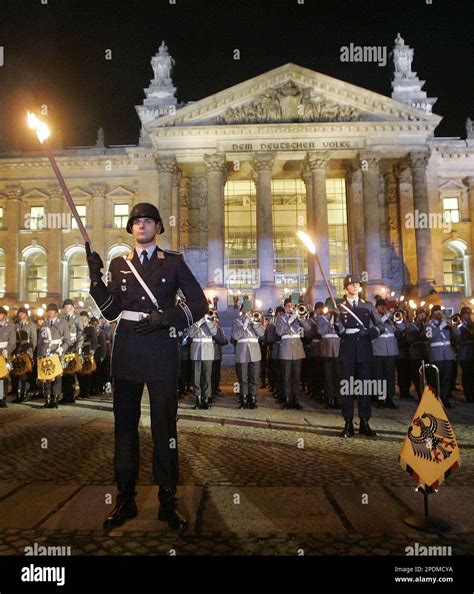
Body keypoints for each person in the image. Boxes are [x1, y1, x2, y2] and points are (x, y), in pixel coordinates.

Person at [86, 202, 207, 531]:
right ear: (131, 228)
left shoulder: (174, 263)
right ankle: (125, 498)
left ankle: (168, 501)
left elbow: (199, 304)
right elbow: (111, 312)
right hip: (127, 349)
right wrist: (96, 279)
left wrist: (163, 318)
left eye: (147, 221)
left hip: (160, 349)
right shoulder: (118, 264)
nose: (140, 226)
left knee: (164, 429)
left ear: (157, 227)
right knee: (124, 428)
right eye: (136, 222)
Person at [334, 275, 385, 438]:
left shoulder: (368, 306)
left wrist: (369, 333)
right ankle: (348, 422)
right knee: (347, 389)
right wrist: (336, 320)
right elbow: (340, 332)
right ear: (345, 287)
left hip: (364, 349)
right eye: (351, 284)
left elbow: (380, 326)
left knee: (365, 388)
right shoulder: (340, 307)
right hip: (348, 349)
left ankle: (364, 422)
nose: (355, 287)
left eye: (357, 284)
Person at [275, 298, 307, 410]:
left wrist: (300, 318)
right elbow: (279, 332)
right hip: (286, 349)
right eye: (288, 305)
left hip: (297, 349)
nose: (291, 307)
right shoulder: (280, 318)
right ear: (284, 307)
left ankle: (296, 400)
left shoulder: (299, 317)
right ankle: (287, 400)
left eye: (293, 305)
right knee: (286, 376)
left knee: (296, 377)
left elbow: (308, 328)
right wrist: (290, 320)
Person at [37, 304, 71, 409]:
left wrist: (61, 349)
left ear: (56, 312)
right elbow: (40, 342)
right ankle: (47, 400)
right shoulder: (44, 324)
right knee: (47, 377)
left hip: (57, 353)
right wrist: (39, 355)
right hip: (45, 354)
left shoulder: (62, 323)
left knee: (56, 378)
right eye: (48, 311)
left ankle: (55, 400)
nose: (50, 312)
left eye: (52, 311)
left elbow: (67, 340)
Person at [425, 305, 459, 408]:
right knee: (435, 379)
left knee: (447, 377)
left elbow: (458, 335)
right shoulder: (429, 325)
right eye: (437, 312)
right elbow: (429, 336)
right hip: (436, 355)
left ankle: (445, 398)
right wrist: (440, 327)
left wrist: (454, 326)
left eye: (440, 312)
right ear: (433, 314)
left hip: (447, 355)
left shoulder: (447, 325)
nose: (439, 314)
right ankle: (435, 399)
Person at [231, 309, 265, 409]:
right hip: (242, 352)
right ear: (242, 312)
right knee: (243, 378)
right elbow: (235, 336)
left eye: (250, 311)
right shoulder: (236, 322)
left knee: (254, 378)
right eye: (246, 311)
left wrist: (254, 323)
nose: (248, 313)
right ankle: (244, 399)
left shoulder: (257, 320)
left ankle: (253, 398)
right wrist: (244, 324)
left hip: (254, 352)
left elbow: (262, 334)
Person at [371, 299, 399, 409]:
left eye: (384, 306)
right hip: (378, 351)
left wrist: (395, 321)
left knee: (390, 377)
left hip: (391, 351)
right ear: (376, 307)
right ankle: (379, 399)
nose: (383, 308)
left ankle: (389, 399)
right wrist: (384, 318)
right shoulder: (373, 318)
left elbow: (400, 329)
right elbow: (373, 330)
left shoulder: (390, 320)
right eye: (381, 306)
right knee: (378, 377)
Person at [189, 311, 218, 409]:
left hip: (208, 351)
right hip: (196, 351)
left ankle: (206, 399)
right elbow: (190, 333)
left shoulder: (211, 320)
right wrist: (199, 323)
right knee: (196, 377)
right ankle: (198, 398)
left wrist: (208, 321)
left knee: (207, 376)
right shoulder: (194, 321)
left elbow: (214, 332)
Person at [60, 299, 84, 404]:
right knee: (65, 373)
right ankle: (65, 395)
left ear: (72, 307)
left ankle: (70, 396)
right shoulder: (62, 318)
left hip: (73, 348)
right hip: (65, 347)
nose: (66, 308)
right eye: (65, 306)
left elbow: (80, 333)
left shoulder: (77, 318)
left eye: (68, 306)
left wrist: (78, 347)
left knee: (71, 373)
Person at [12, 306, 37, 403]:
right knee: (18, 373)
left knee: (25, 374)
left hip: (27, 350)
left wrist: (31, 351)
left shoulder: (31, 325)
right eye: (19, 313)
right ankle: (18, 394)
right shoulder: (16, 325)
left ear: (26, 314)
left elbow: (34, 339)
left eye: (23, 313)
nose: (21, 314)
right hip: (17, 351)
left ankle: (24, 394)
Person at [0, 307, 17, 408]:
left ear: (4, 315)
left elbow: (12, 343)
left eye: (1, 314)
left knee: (3, 377)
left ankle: (2, 398)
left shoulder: (10, 327)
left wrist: (7, 350)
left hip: (4, 354)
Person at [458, 306, 474, 402]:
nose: (467, 316)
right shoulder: (458, 324)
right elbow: (457, 337)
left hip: (472, 352)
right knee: (466, 375)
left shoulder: (472, 324)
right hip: (464, 353)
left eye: (469, 314)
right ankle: (468, 394)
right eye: (465, 314)